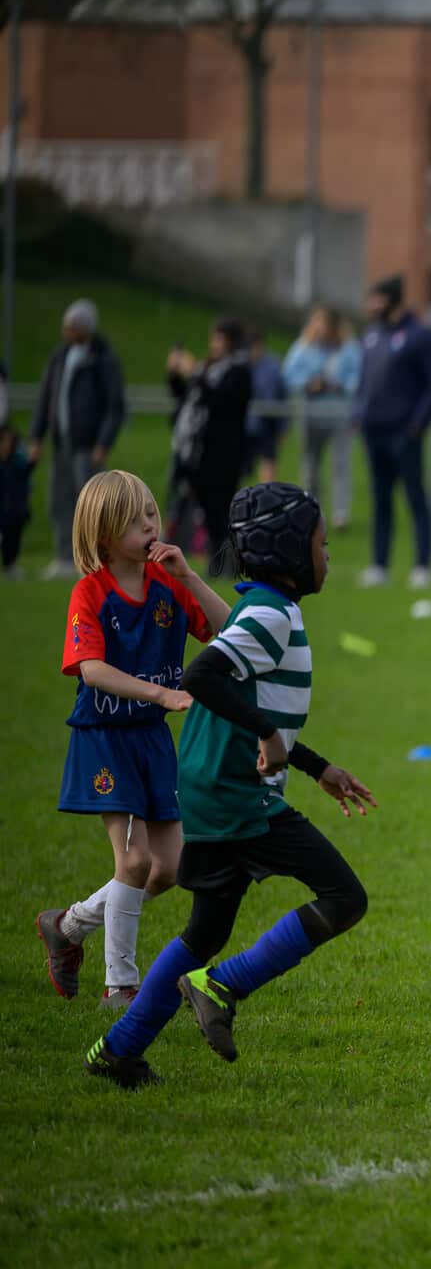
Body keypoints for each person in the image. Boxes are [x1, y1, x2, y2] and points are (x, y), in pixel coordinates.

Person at [83, 484, 378, 1089]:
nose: (328, 556)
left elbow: (246, 698)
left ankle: (118, 1050)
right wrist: (269, 735)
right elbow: (204, 676)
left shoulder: (262, 610)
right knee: (345, 897)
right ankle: (221, 985)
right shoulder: (270, 614)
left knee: (203, 932)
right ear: (292, 551)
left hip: (214, 791)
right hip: (235, 796)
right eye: (323, 545)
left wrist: (317, 766)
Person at [35, 471, 226, 1010]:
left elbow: (227, 630)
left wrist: (189, 576)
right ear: (102, 535)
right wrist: (163, 696)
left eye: (151, 512)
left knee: (170, 867)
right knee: (134, 860)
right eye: (135, 518)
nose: (151, 524)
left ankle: (68, 925)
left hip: (150, 741)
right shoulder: (90, 592)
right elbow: (91, 669)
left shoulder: (168, 583)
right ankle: (121, 987)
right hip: (105, 740)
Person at [354, 275, 431, 591]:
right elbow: (365, 380)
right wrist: (359, 413)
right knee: (380, 500)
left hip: (404, 432)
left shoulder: (419, 336)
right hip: (374, 431)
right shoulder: (372, 336)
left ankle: (422, 566)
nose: (372, 306)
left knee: (415, 496)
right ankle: (379, 565)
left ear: (392, 299)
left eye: (377, 299)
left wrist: (417, 423)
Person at [28, 299, 127, 579]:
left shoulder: (103, 359)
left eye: (71, 326)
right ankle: (62, 558)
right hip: (61, 442)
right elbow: (46, 397)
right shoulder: (59, 357)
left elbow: (115, 405)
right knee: (58, 501)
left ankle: (90, 561)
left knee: (88, 506)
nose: (66, 330)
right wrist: (37, 436)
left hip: (87, 446)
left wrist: (103, 443)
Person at [166, 319, 254, 577]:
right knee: (206, 512)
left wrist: (195, 372)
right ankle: (216, 565)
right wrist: (174, 374)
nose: (214, 344)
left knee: (222, 512)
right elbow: (187, 397)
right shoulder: (209, 369)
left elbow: (220, 402)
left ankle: (226, 566)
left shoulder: (239, 372)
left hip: (224, 454)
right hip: (197, 453)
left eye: (219, 338)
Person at [283, 305, 363, 531]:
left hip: (340, 417)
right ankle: (312, 511)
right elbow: (289, 375)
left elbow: (359, 378)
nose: (320, 332)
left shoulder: (349, 349)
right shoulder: (303, 347)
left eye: (325, 327)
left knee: (340, 464)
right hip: (311, 418)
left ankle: (340, 514)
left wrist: (340, 385)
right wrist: (309, 383)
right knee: (311, 465)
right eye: (317, 326)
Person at [244, 330, 289, 483]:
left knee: (268, 464)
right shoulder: (241, 365)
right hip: (245, 425)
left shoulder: (273, 367)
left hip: (268, 423)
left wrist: (283, 427)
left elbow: (283, 397)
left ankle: (268, 501)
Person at [0, 420, 31, 578]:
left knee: (13, 538)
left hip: (15, 509)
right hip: (3, 510)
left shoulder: (17, 462)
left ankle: (10, 565)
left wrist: (33, 459)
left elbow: (26, 473)